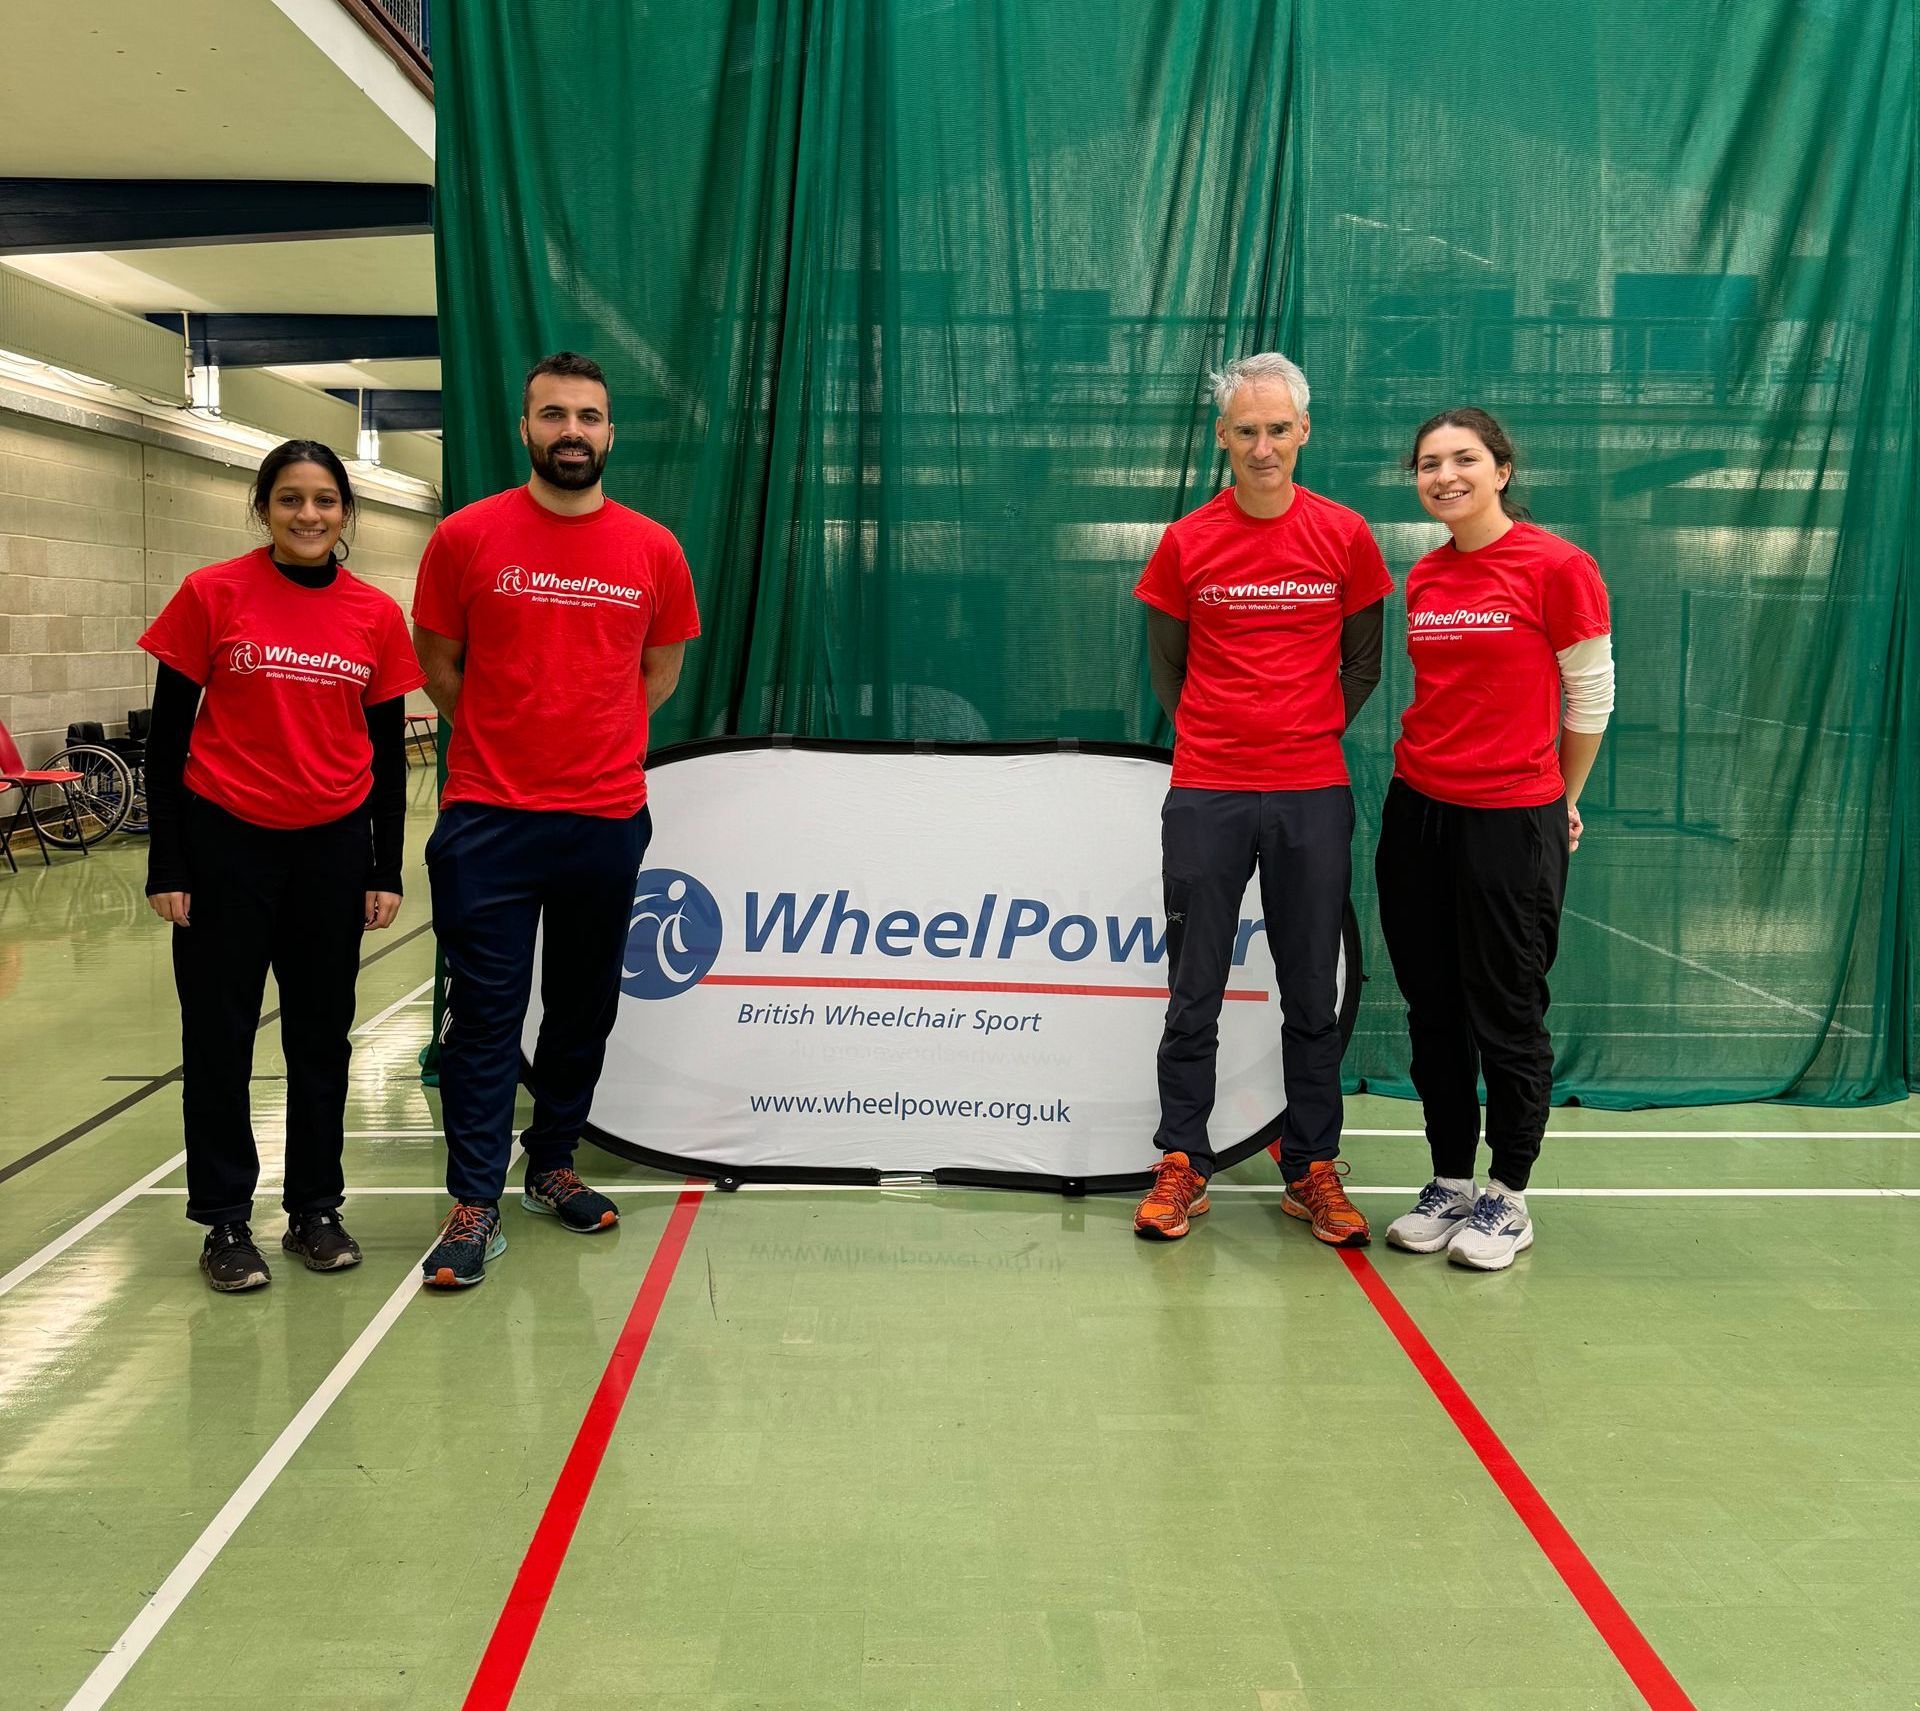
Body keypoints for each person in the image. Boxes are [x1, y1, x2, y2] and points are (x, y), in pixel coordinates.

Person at [412, 351, 700, 1288]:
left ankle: (554, 1164)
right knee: (485, 1019)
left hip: (606, 819)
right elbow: (441, 668)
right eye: (553, 415)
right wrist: (513, 741)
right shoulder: (465, 537)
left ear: (611, 433)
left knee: (583, 1008)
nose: (571, 431)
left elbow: (657, 674)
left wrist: (590, 735)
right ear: (525, 427)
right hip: (488, 819)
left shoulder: (653, 547)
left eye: (588, 416)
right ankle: (473, 1201)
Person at [141, 440, 425, 1291]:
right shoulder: (211, 594)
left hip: (330, 853)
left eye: (326, 500)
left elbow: (387, 751)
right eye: (291, 499)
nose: (309, 515)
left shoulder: (375, 614)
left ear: (346, 513)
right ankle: (225, 1220)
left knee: (319, 1038)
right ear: (263, 507)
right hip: (226, 844)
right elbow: (166, 739)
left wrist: (386, 867)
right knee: (219, 1039)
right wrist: (169, 861)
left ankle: (315, 1209)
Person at [1131, 352, 1392, 1246]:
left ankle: (1310, 1166)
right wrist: (1224, 736)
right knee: (1192, 987)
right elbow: (1169, 669)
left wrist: (1306, 728)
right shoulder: (1185, 543)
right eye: (1246, 431)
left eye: (1278, 429)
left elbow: (1364, 660)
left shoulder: (1347, 536)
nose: (1263, 446)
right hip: (1207, 790)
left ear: (1304, 431)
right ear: (1223, 438)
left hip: (1312, 792)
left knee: (1309, 992)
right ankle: (1182, 1162)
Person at [1376, 407, 1613, 1270]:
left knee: (1507, 1011)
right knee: (1433, 1008)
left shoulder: (1558, 566)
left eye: (1464, 459)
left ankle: (1506, 1194)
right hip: (1417, 812)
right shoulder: (1426, 576)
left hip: (1513, 819)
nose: (1446, 475)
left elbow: (1591, 699)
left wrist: (1562, 800)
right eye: (1430, 462)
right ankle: (1449, 1180)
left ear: (1502, 469)